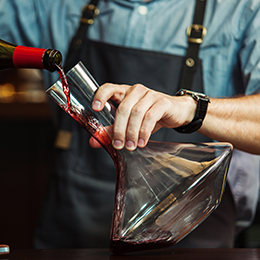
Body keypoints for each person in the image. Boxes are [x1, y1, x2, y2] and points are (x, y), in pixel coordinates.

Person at [0, 0, 259, 249]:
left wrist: (191, 108)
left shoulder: (239, 8)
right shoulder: (55, 4)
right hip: (72, 232)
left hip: (189, 238)